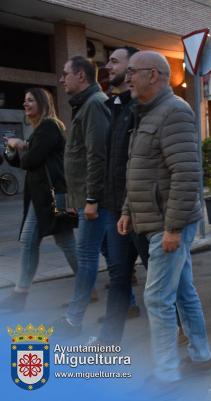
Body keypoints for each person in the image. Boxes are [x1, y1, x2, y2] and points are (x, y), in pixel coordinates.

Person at [117, 51, 211, 383]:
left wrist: (173, 228)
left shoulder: (174, 112)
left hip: (167, 224)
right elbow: (140, 168)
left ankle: (166, 374)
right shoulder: (147, 112)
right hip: (155, 220)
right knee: (183, 293)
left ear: (154, 75)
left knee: (157, 298)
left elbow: (186, 175)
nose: (127, 77)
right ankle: (201, 356)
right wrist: (128, 209)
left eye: (132, 72)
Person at [0, 88, 77, 312]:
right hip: (40, 197)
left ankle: (85, 285)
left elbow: (30, 160)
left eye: (31, 100)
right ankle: (19, 295)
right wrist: (13, 146)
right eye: (24, 101)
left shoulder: (50, 126)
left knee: (65, 242)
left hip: (54, 195)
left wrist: (20, 145)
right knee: (31, 242)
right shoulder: (38, 130)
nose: (25, 104)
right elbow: (18, 161)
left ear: (43, 103)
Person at [92, 46, 147, 345]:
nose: (107, 65)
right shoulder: (113, 107)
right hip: (115, 209)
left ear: (132, 68)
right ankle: (107, 342)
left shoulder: (140, 109)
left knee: (165, 283)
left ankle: (187, 335)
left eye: (114, 61)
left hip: (141, 210)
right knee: (118, 278)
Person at [54, 56, 110, 336]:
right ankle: (130, 304)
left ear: (81, 75)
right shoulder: (86, 104)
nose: (62, 79)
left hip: (96, 200)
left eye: (65, 74)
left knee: (86, 256)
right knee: (109, 252)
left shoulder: (94, 104)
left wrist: (91, 199)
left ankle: (73, 320)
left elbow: (96, 155)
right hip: (90, 199)